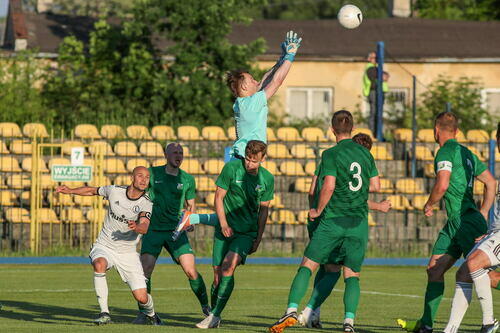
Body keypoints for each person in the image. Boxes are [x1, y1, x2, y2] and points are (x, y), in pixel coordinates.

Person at [269, 110, 381, 333]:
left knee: (308, 265)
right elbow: (376, 186)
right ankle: (348, 323)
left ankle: (292, 309)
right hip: (358, 223)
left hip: (333, 221)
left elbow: (328, 185)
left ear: (332, 130)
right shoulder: (366, 154)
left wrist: (318, 209)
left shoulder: (330, 154)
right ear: (352, 128)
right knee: (350, 275)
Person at [397, 112, 496, 333]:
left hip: (466, 222)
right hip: (455, 223)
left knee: (484, 274)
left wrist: (429, 204)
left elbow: (442, 184)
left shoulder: (446, 151)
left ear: (435, 129)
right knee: (434, 269)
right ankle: (426, 324)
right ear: (457, 131)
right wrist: (484, 211)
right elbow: (490, 181)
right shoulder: (466, 153)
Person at [297, 133, 392, 329]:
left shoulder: (331, 158)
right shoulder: (355, 162)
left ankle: (314, 314)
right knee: (334, 269)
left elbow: (313, 190)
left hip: (319, 219)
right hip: (337, 222)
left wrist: (314, 212)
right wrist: (379, 206)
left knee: (321, 265)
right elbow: (352, 197)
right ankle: (309, 312)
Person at [56, 166, 162, 325]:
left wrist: (137, 227)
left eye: (147, 177)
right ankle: (104, 312)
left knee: (142, 297)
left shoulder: (146, 203)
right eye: (140, 176)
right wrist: (71, 190)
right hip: (104, 245)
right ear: (132, 178)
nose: (143, 180)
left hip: (127, 253)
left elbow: (145, 226)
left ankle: (152, 315)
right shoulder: (114, 191)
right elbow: (92, 190)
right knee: (99, 264)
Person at [195, 140, 274, 329]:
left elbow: (264, 211)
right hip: (224, 230)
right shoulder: (231, 169)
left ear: (263, 159)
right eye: (247, 159)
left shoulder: (267, 179)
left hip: (246, 233)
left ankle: (214, 316)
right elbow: (218, 197)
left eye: (254, 161)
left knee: (228, 267)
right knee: (217, 276)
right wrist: (222, 224)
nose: (249, 164)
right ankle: (215, 313)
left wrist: (258, 238)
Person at [133, 143, 209, 324]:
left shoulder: (188, 179)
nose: (178, 155)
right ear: (166, 155)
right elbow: (138, 192)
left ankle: (207, 308)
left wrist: (189, 222)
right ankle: (145, 312)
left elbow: (190, 205)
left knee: (191, 271)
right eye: (175, 152)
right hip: (153, 230)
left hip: (176, 231)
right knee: (145, 271)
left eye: (181, 152)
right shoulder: (153, 174)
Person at [442, 122, 500, 333]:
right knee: (464, 273)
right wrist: (490, 232)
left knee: (474, 263)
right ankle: (450, 329)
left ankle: (488, 323)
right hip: (495, 233)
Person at [229, 30, 302, 159]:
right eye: (252, 80)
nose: (256, 81)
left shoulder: (243, 102)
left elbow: (264, 81)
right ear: (245, 86)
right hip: (246, 160)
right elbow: (276, 82)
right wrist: (290, 57)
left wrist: (281, 60)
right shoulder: (252, 102)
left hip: (244, 157)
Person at [363, 52, 377, 133]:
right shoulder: (371, 68)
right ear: (369, 59)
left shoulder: (374, 67)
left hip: (373, 91)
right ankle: (372, 132)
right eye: (374, 58)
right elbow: (374, 81)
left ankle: (373, 131)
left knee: (374, 112)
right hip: (372, 91)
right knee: (374, 112)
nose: (376, 60)